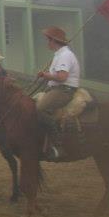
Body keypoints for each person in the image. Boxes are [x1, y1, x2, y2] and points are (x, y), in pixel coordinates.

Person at [36, 26, 81, 160]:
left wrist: (46, 75)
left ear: (53, 41)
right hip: (56, 89)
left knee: (39, 110)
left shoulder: (65, 55)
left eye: (47, 40)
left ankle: (57, 143)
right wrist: (46, 76)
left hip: (64, 90)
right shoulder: (59, 54)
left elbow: (62, 77)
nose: (47, 43)